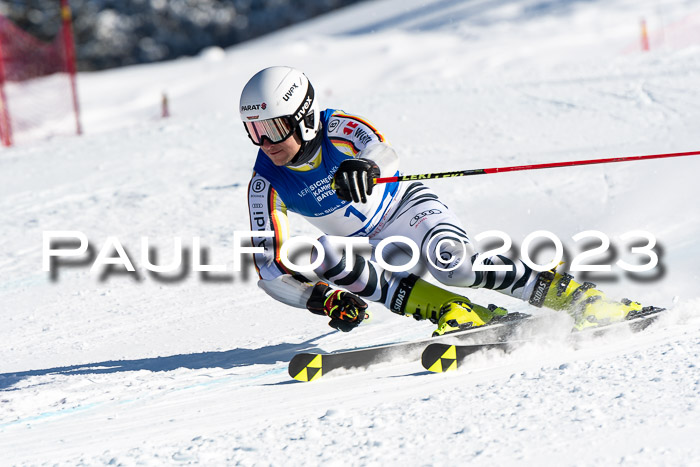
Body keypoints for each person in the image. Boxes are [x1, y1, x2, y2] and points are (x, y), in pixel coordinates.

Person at [241, 66, 649, 336]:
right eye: (253, 131)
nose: (265, 143)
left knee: (453, 265)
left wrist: (364, 166)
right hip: (366, 244)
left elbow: (381, 148)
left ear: (305, 116)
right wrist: (320, 298)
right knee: (325, 256)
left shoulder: (335, 126)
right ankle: (456, 312)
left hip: (405, 210)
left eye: (273, 128)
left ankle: (577, 297)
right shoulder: (266, 184)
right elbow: (269, 268)